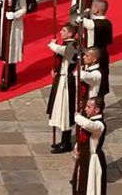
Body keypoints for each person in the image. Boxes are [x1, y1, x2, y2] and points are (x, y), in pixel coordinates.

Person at [46, 23, 78, 154]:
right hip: (61, 78)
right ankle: (63, 140)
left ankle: (66, 143)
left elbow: (64, 52)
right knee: (59, 109)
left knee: (65, 111)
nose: (60, 32)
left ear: (70, 33)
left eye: (63, 30)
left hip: (66, 81)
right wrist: (55, 70)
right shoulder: (65, 44)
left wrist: (53, 45)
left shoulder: (74, 45)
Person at [71, 97, 107, 195]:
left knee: (91, 188)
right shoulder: (90, 121)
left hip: (93, 160)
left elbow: (88, 125)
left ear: (97, 110)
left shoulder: (99, 125)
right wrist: (76, 151)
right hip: (84, 158)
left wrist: (77, 116)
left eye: (88, 107)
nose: (85, 109)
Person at [78, 0, 113, 98]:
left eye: (93, 7)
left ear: (97, 10)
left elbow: (78, 20)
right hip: (104, 53)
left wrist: (84, 13)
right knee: (102, 78)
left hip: (93, 54)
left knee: (93, 79)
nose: (91, 8)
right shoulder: (108, 23)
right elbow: (109, 41)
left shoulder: (92, 24)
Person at [78, 47, 102, 112]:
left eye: (87, 56)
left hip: (90, 106)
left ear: (94, 60)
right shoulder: (86, 67)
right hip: (82, 101)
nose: (84, 57)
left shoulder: (96, 74)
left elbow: (80, 75)